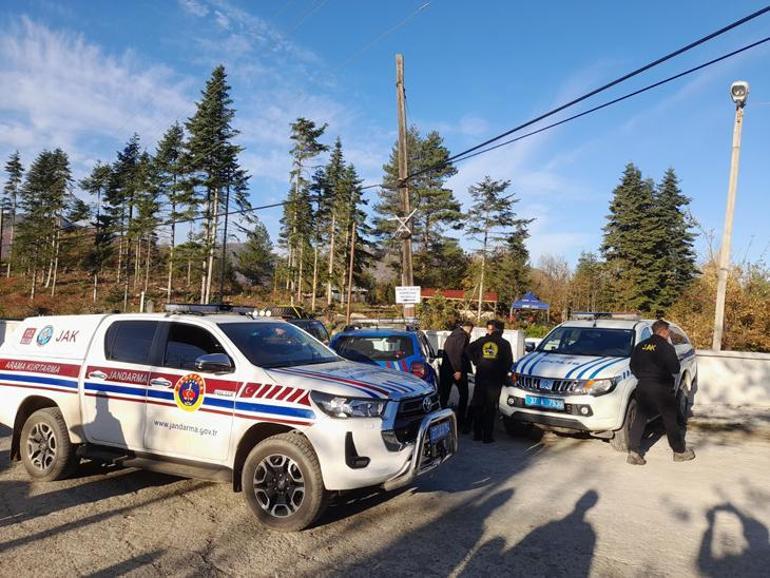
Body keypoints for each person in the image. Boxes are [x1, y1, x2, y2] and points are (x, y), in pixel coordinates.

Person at [627, 319, 695, 465]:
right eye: (668, 331)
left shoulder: (640, 346)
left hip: (643, 387)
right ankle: (679, 452)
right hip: (662, 389)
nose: (669, 333)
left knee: (640, 418)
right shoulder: (666, 347)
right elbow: (675, 368)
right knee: (670, 420)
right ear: (663, 331)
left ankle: (633, 453)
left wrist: (643, 377)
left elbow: (632, 366)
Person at [466, 319, 513, 443]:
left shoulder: (482, 341)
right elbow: (509, 363)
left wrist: (476, 361)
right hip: (495, 380)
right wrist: (504, 374)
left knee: (478, 404)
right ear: (501, 331)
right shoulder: (505, 344)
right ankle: (487, 436)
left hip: (481, 377)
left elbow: (468, 350)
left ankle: (477, 434)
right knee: (490, 407)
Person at [439, 320, 474, 432]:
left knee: (444, 395)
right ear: (469, 328)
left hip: (446, 370)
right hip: (457, 370)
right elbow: (458, 354)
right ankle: (460, 421)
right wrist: (458, 370)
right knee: (464, 395)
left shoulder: (452, 335)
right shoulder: (462, 336)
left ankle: (439, 419)